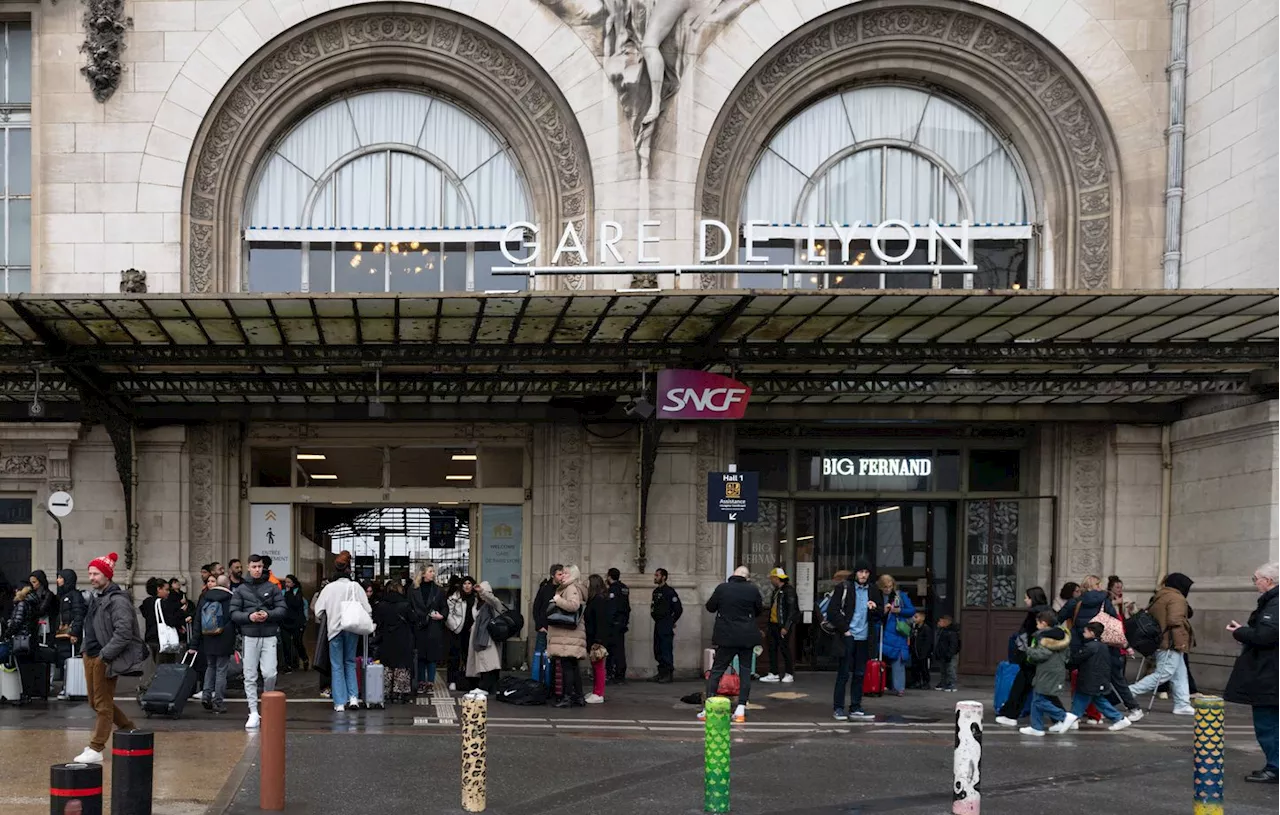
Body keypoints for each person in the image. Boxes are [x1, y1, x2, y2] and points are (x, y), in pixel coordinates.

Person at [75, 552, 146, 764]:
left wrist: (104, 656)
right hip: (92, 654)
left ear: (107, 575)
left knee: (102, 703)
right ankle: (127, 728)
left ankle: (96, 747)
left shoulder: (118, 601)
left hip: (103, 657)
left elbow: (124, 633)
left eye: (96, 573)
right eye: (90, 573)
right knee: (95, 702)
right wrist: (85, 651)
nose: (92, 577)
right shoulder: (99, 598)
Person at [1224, 561, 1280, 783]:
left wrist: (1241, 632)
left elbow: (1267, 635)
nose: (1255, 582)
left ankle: (1275, 767)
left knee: (1268, 722)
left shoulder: (1275, 604)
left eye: (1256, 578)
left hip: (1270, 673)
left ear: (1268, 581)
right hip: (1272, 671)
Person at [229, 554, 287, 729]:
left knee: (270, 673)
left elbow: (282, 609)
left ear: (263, 567)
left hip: (269, 634)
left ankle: (267, 703)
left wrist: (268, 614)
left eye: (260, 566)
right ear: (248, 567)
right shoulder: (240, 590)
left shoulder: (273, 587)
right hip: (250, 635)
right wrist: (249, 616)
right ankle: (253, 711)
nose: (257, 569)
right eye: (254, 567)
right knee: (250, 675)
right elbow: (233, 613)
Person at [700, 566, 763, 724]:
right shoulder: (753, 590)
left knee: (717, 671)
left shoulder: (722, 588)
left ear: (733, 575)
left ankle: (708, 708)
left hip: (726, 637)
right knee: (745, 672)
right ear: (747, 577)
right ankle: (740, 708)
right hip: (747, 637)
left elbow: (710, 607)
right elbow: (758, 610)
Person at [1127, 572, 1196, 715]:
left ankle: (1182, 703)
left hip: (1161, 640)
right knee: (1163, 674)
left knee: (1180, 673)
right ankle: (1129, 692)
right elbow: (1175, 621)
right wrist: (1181, 642)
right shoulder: (1177, 598)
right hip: (1170, 642)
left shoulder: (1161, 596)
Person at [314, 551, 372, 712]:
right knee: (350, 662)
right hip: (351, 628)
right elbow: (367, 609)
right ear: (349, 569)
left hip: (334, 630)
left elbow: (318, 610)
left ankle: (339, 702)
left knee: (337, 665)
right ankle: (353, 698)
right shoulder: (356, 587)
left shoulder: (329, 588)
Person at [1052, 622, 1132, 733]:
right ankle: (1119, 719)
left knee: (1079, 703)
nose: (1083, 632)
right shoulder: (1103, 646)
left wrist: (1065, 662)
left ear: (1092, 633)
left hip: (1089, 681)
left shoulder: (1089, 647)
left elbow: (1075, 660)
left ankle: (1068, 722)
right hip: (1098, 680)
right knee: (1100, 702)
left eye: (1086, 631)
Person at [826, 560, 876, 720]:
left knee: (860, 673)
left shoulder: (873, 590)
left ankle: (856, 706)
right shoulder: (844, 587)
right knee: (843, 673)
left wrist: (876, 608)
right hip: (848, 636)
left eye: (866, 572)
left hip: (864, 637)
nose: (863, 575)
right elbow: (832, 611)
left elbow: (880, 615)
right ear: (856, 573)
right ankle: (838, 708)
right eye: (861, 572)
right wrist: (845, 630)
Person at [995, 586, 1051, 725]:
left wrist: (1023, 651)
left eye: (1027, 597)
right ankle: (1010, 714)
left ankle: (1061, 717)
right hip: (1036, 655)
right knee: (1025, 686)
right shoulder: (1047, 611)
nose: (1025, 600)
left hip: (1031, 656)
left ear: (1033, 598)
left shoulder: (1035, 614)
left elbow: (1029, 635)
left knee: (1026, 687)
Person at [1020, 610, 1071, 736]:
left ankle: (1064, 716)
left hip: (1047, 672)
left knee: (1039, 700)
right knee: (1037, 697)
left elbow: (1042, 654)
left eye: (1037, 623)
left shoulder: (1045, 637)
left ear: (1043, 623)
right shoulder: (1061, 634)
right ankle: (1036, 727)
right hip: (1053, 670)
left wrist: (1028, 650)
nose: (1036, 625)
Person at [190, 574, 235, 714]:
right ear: (228, 584)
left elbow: (197, 621)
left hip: (207, 638)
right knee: (221, 670)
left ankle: (206, 695)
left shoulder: (205, 597)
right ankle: (218, 701)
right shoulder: (231, 599)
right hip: (225, 639)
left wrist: (194, 645)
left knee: (210, 667)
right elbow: (235, 619)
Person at [548, 565, 587, 707]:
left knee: (567, 666)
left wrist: (558, 600)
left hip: (567, 634)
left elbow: (573, 605)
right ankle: (578, 696)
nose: (562, 575)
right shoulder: (574, 587)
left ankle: (567, 697)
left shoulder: (571, 588)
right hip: (571, 634)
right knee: (573, 665)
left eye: (565, 573)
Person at [373, 578, 416, 703]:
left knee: (387, 665)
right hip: (403, 639)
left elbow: (377, 622)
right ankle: (400, 692)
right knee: (402, 665)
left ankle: (386, 691)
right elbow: (413, 621)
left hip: (386, 639)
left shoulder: (380, 605)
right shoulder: (406, 605)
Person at [872, 573, 915, 696]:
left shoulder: (900, 596)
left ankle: (898, 687)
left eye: (890, 586)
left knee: (897, 660)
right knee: (877, 660)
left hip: (894, 632)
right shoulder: (876, 596)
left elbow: (911, 610)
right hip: (881, 631)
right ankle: (878, 684)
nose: (887, 589)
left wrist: (899, 610)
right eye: (885, 587)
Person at [138, 576, 184, 693]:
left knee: (157, 664)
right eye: (166, 589)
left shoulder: (147, 603)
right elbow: (170, 620)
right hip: (163, 639)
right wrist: (181, 613)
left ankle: (157, 688)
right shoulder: (164, 603)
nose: (168, 592)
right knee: (164, 666)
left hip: (151, 638)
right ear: (159, 589)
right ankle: (147, 686)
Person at [410, 564, 448, 694]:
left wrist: (441, 615)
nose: (433, 573)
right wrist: (415, 617)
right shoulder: (413, 589)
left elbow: (445, 606)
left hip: (433, 625)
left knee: (432, 656)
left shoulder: (439, 590)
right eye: (430, 571)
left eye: (433, 571)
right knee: (420, 656)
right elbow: (409, 607)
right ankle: (421, 682)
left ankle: (430, 683)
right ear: (423, 573)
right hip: (419, 626)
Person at [466, 581, 507, 696]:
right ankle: (492, 688)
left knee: (488, 664)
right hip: (482, 637)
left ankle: (484, 687)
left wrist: (483, 592)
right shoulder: (479, 604)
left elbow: (492, 599)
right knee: (488, 664)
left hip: (488, 639)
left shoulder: (493, 604)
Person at [760, 567, 798, 684]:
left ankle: (789, 673)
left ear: (777, 578)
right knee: (772, 648)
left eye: (772, 578)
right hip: (773, 624)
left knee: (784, 649)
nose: (771, 580)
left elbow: (792, 610)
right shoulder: (776, 591)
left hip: (782, 625)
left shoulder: (789, 591)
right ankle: (774, 673)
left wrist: (786, 627)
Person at [53, 569, 87, 698]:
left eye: (60, 578)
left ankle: (70, 686)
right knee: (63, 661)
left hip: (69, 634)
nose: (58, 580)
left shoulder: (74, 596)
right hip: (63, 634)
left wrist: (74, 632)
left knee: (69, 659)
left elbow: (79, 615)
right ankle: (66, 686)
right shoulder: (64, 596)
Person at [446, 576, 478, 692]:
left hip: (471, 632)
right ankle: (452, 680)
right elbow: (448, 613)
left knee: (469, 656)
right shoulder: (454, 598)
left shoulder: (477, 598)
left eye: (469, 583)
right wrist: (454, 626)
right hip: (457, 631)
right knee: (454, 656)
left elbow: (479, 614)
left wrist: (475, 627)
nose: (467, 586)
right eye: (465, 583)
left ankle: (468, 680)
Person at [649, 568, 681, 683]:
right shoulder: (656, 591)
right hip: (658, 623)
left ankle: (668, 673)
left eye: (657, 575)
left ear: (663, 577)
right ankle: (661, 672)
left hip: (665, 624)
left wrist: (671, 621)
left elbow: (678, 609)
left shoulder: (669, 592)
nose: (655, 577)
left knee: (666, 649)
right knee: (657, 649)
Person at [531, 564, 563, 677]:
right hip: (544, 627)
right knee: (540, 655)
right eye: (559, 574)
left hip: (558, 628)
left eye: (563, 574)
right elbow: (536, 607)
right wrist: (539, 625)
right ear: (553, 575)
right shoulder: (545, 588)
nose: (562, 577)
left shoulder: (563, 589)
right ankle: (537, 680)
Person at [584, 573, 611, 703]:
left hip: (597, 639)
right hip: (594, 637)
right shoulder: (596, 599)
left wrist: (598, 641)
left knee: (598, 666)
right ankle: (596, 691)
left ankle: (599, 693)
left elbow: (600, 622)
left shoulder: (598, 600)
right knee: (595, 666)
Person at [605, 567, 630, 684]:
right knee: (620, 649)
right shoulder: (624, 588)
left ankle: (614, 673)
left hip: (614, 624)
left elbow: (611, 608)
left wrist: (609, 622)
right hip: (622, 622)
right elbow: (627, 607)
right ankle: (620, 673)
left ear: (609, 576)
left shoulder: (613, 590)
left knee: (613, 650)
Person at [280, 574, 308, 673]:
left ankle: (304, 658)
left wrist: (288, 594)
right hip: (285, 623)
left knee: (297, 642)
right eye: (285, 582)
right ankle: (288, 665)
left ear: (293, 583)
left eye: (289, 582)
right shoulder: (282, 593)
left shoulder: (298, 593)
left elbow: (295, 604)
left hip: (297, 623)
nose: (286, 584)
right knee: (286, 644)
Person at [907, 610, 935, 690]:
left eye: (916, 617)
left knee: (924, 668)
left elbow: (928, 642)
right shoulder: (915, 628)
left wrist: (925, 652)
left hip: (922, 653)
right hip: (915, 652)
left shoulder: (926, 629)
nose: (914, 619)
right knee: (915, 668)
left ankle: (926, 682)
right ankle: (917, 681)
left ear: (922, 618)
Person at [933, 614, 960, 691]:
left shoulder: (952, 632)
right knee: (943, 670)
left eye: (940, 621)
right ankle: (944, 683)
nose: (938, 622)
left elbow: (953, 644)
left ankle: (952, 684)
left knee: (950, 669)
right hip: (942, 653)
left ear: (946, 622)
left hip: (950, 654)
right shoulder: (941, 630)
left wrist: (950, 653)